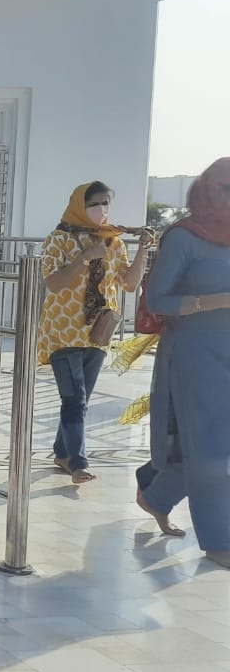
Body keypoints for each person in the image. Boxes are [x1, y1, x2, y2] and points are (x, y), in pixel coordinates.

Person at [136, 157, 230, 568]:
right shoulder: (184, 237)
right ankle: (219, 541)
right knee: (210, 447)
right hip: (196, 353)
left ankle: (156, 496)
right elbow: (158, 300)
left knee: (218, 445)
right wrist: (219, 300)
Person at [37, 181, 151, 484]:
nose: (102, 210)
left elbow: (129, 284)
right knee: (75, 399)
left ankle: (63, 453)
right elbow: (54, 283)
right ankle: (79, 463)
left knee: (79, 400)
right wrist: (85, 257)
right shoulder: (58, 239)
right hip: (63, 331)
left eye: (105, 204)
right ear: (80, 205)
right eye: (94, 204)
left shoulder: (113, 242)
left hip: (98, 331)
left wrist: (142, 250)